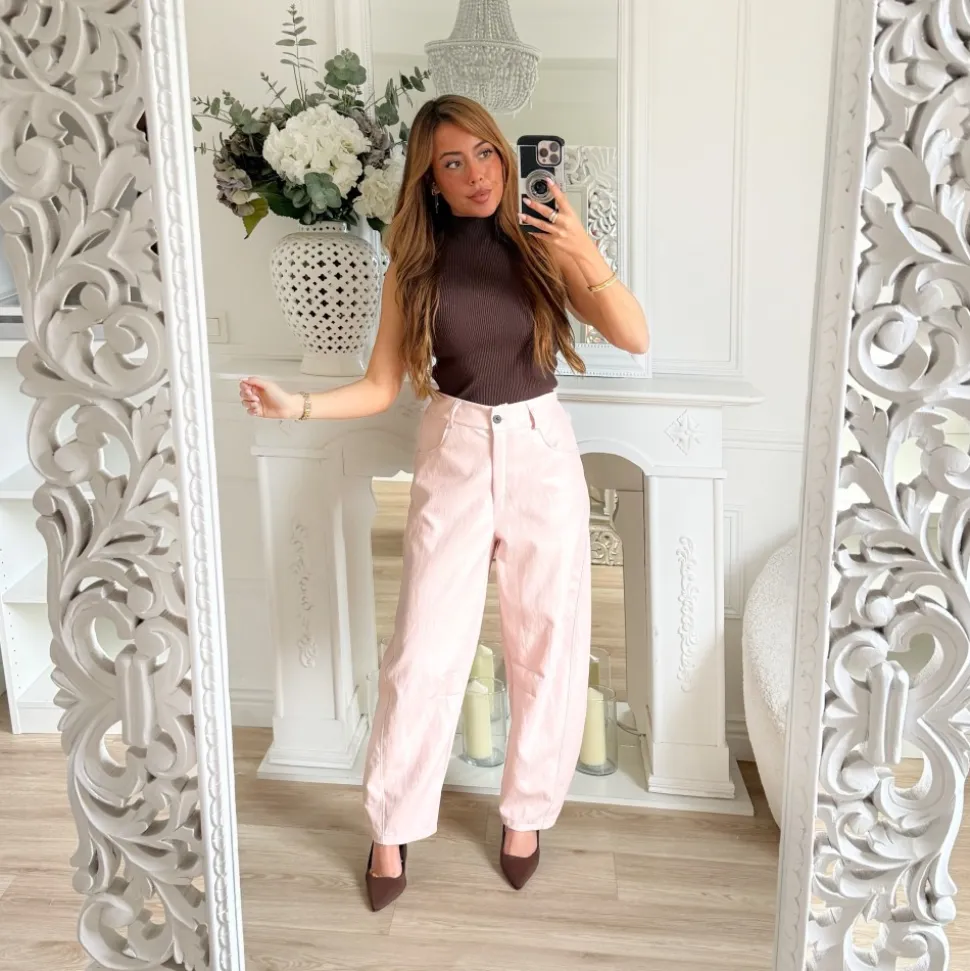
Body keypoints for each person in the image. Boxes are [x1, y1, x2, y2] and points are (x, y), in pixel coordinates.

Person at [239, 95, 649, 911]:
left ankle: (525, 813)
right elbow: (380, 385)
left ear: (504, 154)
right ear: (429, 180)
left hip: (540, 446)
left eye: (485, 153)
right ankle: (390, 823)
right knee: (424, 650)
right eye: (452, 163)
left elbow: (634, 335)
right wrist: (298, 405)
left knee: (548, 640)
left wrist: (579, 243)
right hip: (456, 447)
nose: (476, 174)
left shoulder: (543, 242)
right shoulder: (413, 266)